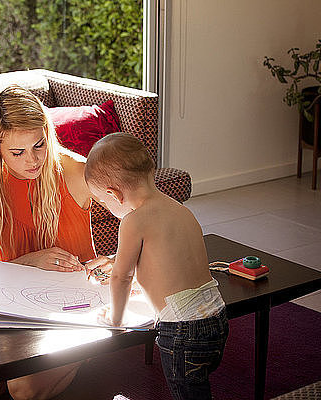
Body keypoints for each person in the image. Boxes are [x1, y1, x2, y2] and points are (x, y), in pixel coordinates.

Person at [0, 84, 97, 400]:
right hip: (13, 309)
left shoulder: (75, 170)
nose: (33, 160)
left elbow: (134, 205)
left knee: (21, 389)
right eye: (18, 152)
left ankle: (87, 350)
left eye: (39, 145)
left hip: (72, 307)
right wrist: (30, 261)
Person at [84, 133, 229, 400]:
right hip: (217, 318)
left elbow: (120, 277)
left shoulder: (133, 221)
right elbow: (173, 263)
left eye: (103, 202)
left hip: (183, 331)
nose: (106, 206)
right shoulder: (179, 209)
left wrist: (116, 320)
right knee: (199, 386)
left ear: (113, 194)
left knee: (187, 394)